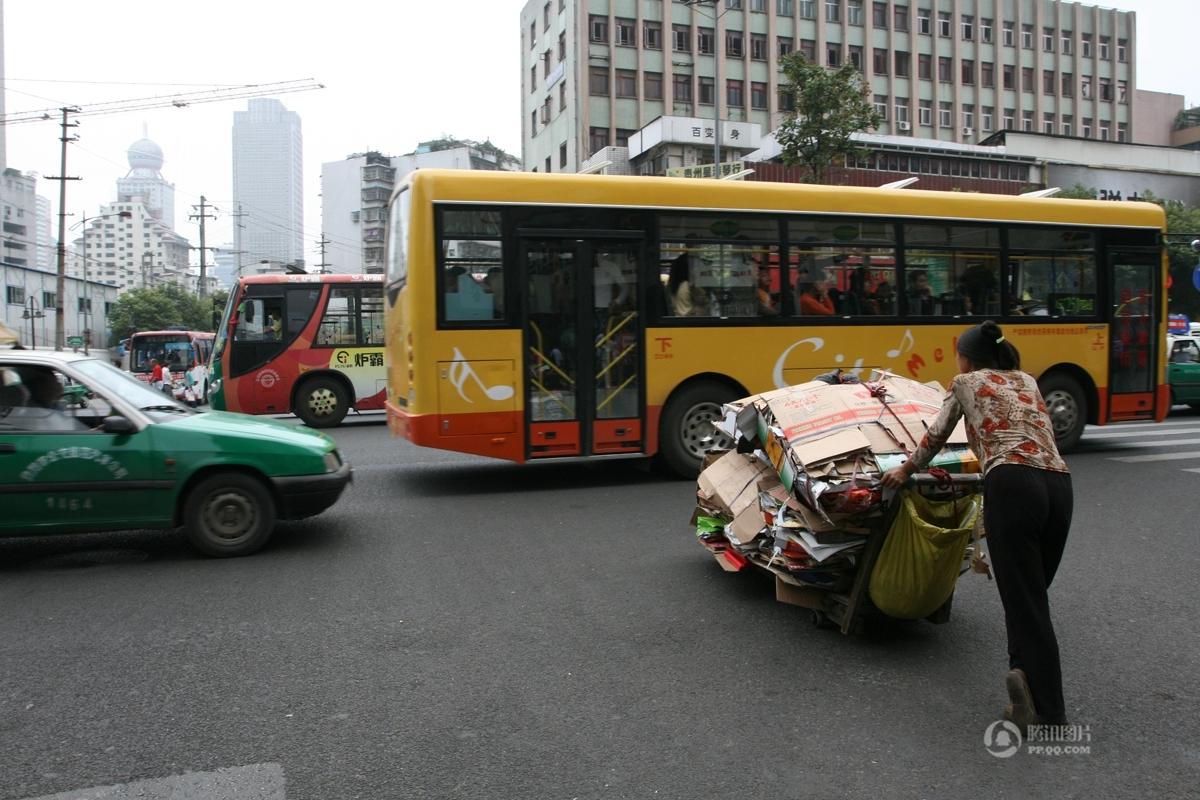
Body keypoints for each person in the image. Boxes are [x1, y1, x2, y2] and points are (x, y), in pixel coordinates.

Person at [881, 321, 1073, 731]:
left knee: (1027, 602)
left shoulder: (965, 381)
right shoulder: (1027, 380)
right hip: (1059, 485)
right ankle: (1022, 681)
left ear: (966, 356)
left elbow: (935, 437)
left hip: (1013, 484)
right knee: (1032, 595)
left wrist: (905, 471)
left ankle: (1050, 710)